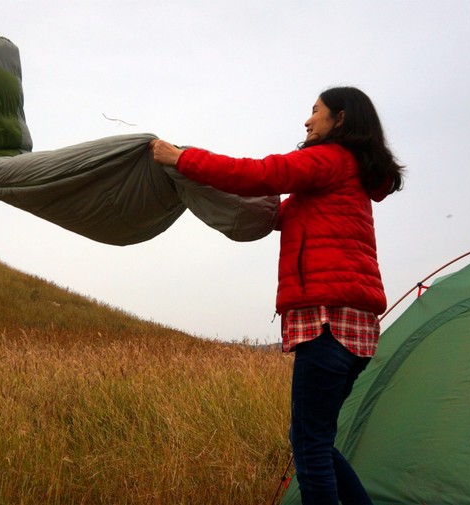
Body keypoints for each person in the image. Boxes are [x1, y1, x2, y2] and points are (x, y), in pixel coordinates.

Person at [151, 86, 404, 504]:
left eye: (315, 111)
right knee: (313, 439)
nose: (307, 120)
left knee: (309, 446)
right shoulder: (349, 177)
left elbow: (260, 174)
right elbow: (274, 214)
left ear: (339, 119)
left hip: (326, 323)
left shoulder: (329, 159)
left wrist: (181, 159)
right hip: (356, 330)